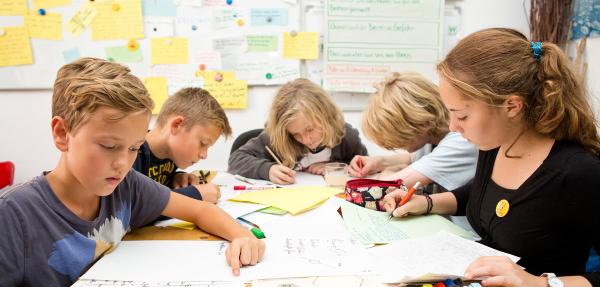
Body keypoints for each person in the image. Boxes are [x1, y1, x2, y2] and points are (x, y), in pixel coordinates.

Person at [0, 58, 265, 287]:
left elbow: (199, 209)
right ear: (62, 133)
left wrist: (241, 236)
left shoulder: (127, 185)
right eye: (109, 145)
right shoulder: (13, 212)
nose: (123, 163)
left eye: (134, 148)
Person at [382, 28, 599, 287]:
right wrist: (427, 203)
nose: (453, 126)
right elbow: (482, 195)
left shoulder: (577, 172)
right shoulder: (496, 145)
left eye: (462, 115)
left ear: (511, 106)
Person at [348, 72, 477, 192]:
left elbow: (388, 186)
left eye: (399, 138)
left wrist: (389, 171)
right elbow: (412, 158)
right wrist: (379, 161)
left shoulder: (461, 141)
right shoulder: (431, 136)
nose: (394, 144)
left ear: (420, 122)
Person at [228, 78, 368, 185]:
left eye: (310, 129)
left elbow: (363, 165)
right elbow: (235, 160)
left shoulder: (346, 136)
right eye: (295, 134)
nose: (306, 140)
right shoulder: (277, 138)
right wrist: (267, 170)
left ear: (326, 116)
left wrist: (336, 168)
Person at [133, 87, 230, 204]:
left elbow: (154, 190)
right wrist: (194, 195)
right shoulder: (133, 152)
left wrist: (176, 178)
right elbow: (134, 207)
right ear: (177, 125)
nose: (204, 155)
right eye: (203, 143)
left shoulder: (172, 155)